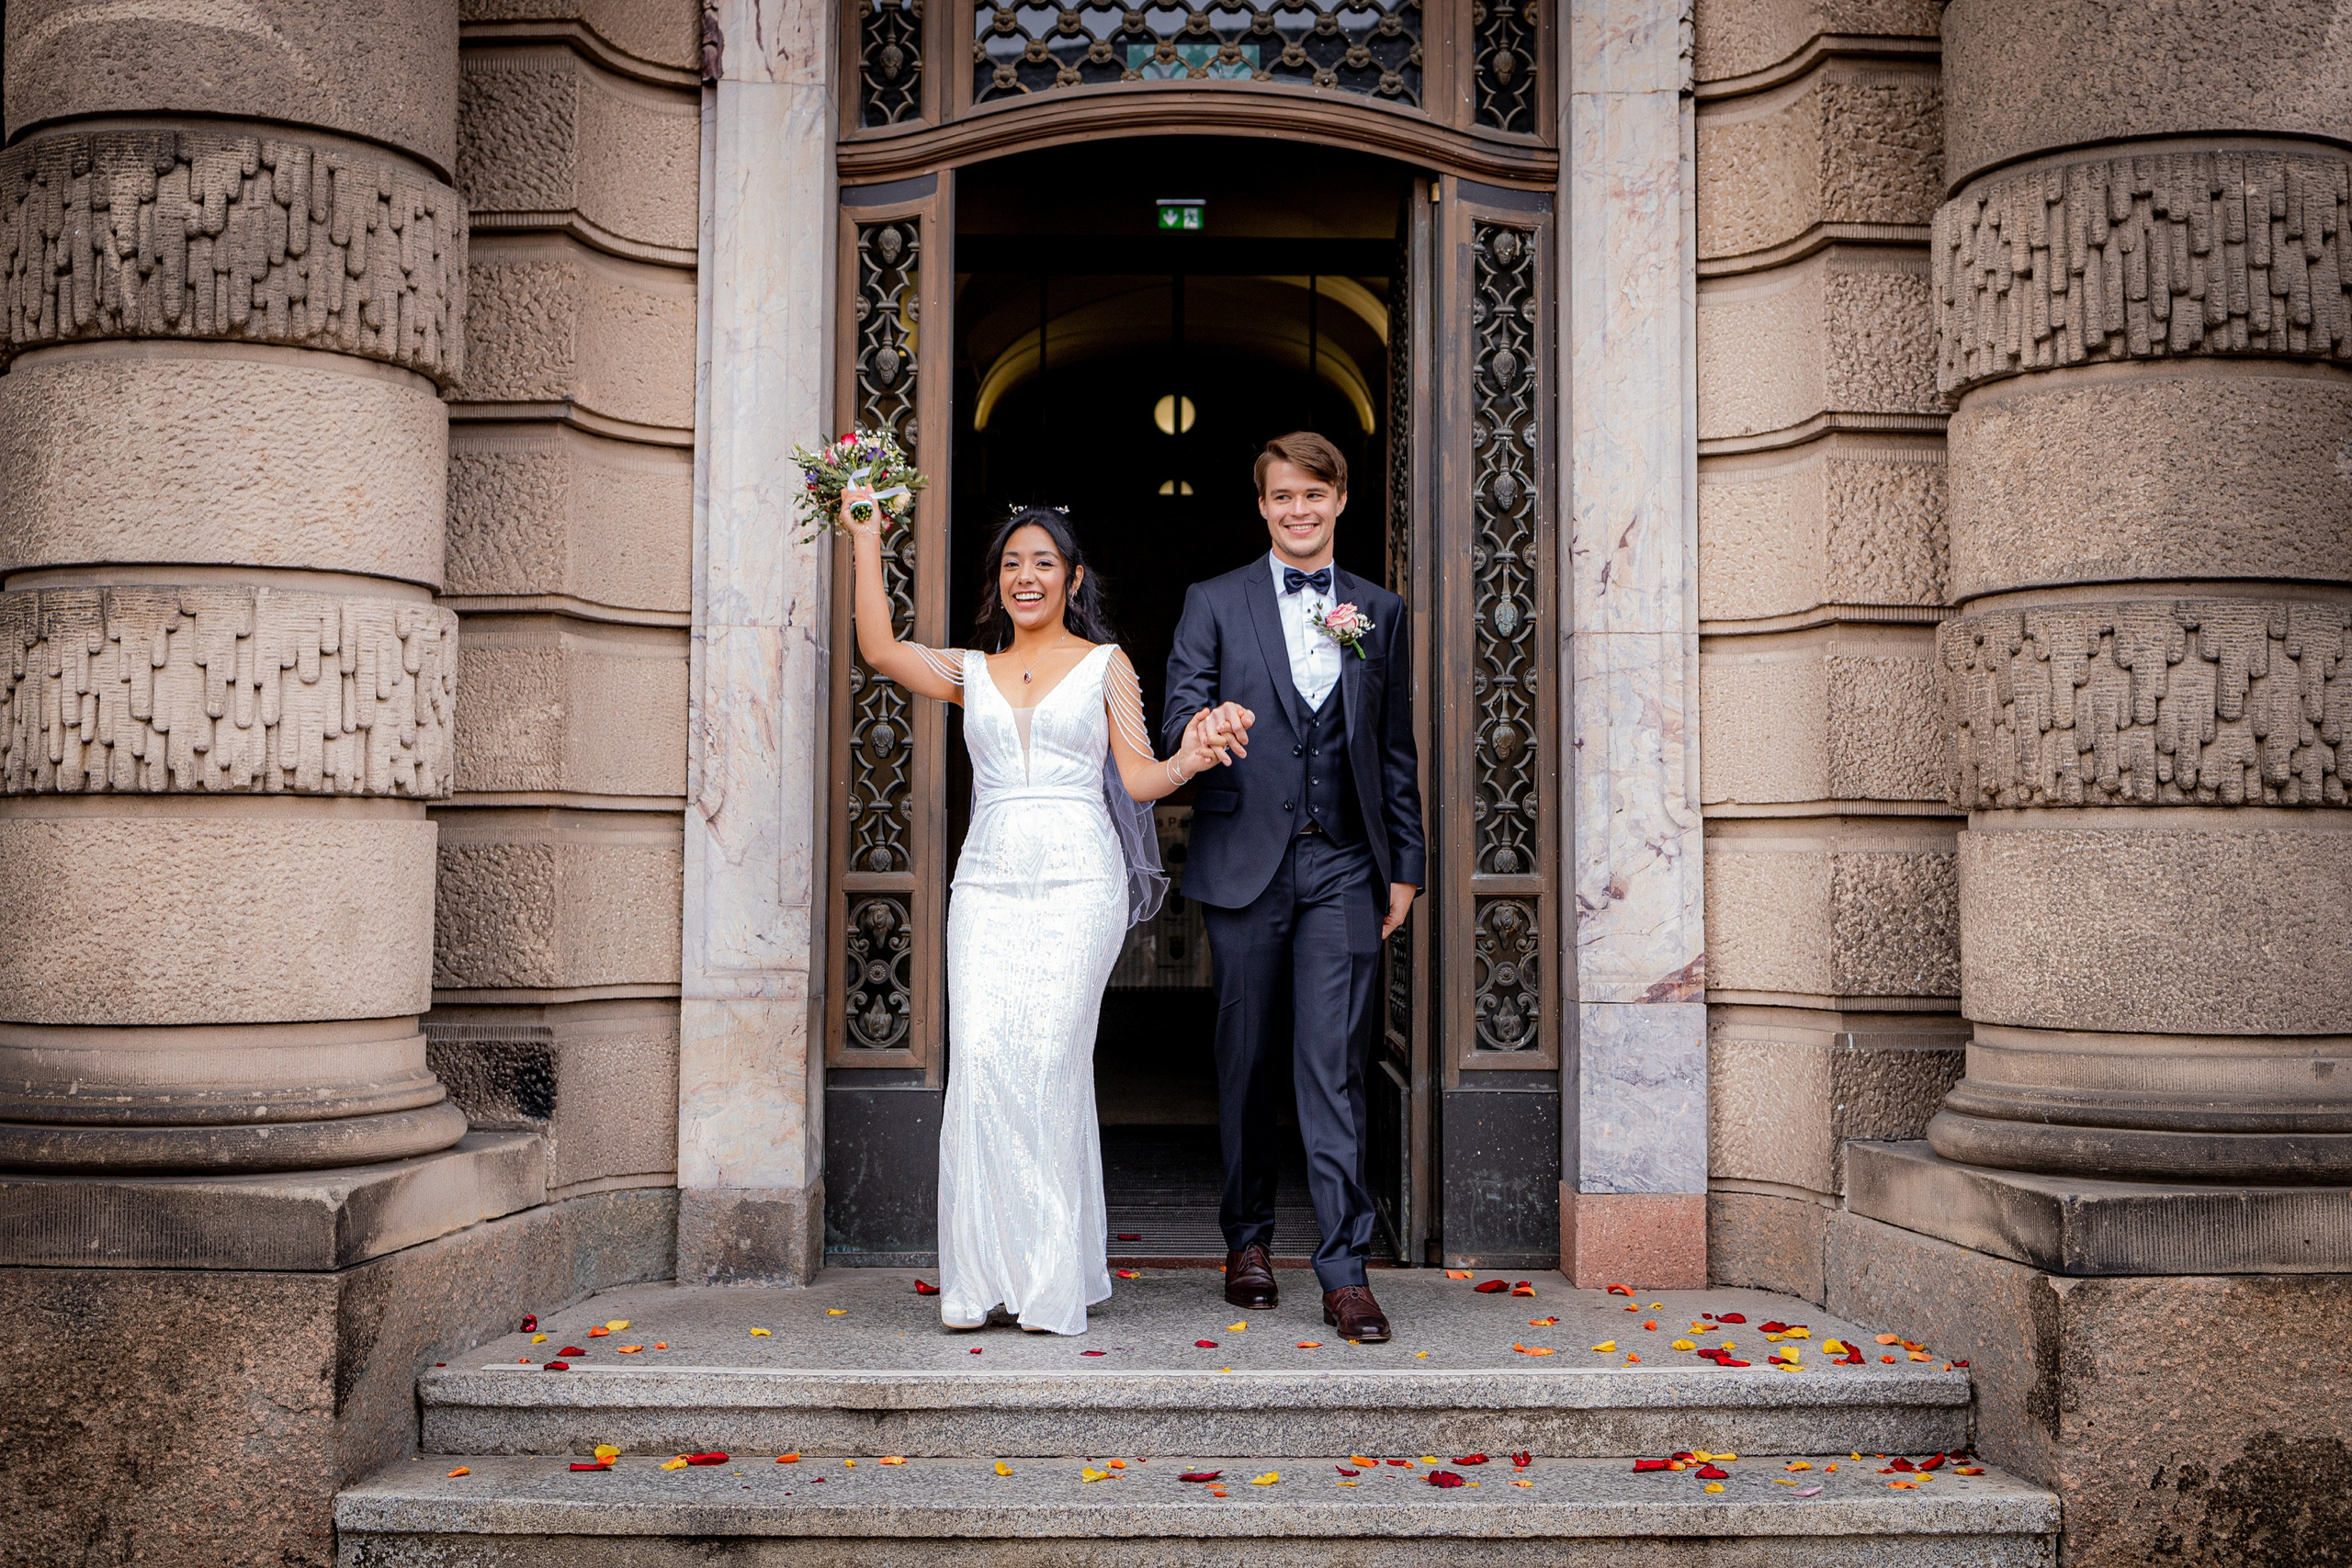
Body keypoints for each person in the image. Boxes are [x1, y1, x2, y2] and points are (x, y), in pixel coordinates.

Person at [842, 489, 1231, 1336]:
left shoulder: (1106, 665)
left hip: (1077, 883)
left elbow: (1137, 780)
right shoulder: (968, 670)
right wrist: (868, 538)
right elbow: (878, 647)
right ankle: (979, 1281)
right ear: (999, 581)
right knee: (982, 1061)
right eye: (1012, 562)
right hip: (985, 884)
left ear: (1072, 577)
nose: (1026, 575)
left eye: (1043, 562)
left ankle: (1050, 1279)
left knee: (1048, 1063)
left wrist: (1191, 757)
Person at [1161, 432, 1425, 1344]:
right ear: (1263, 506)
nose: (1298, 510)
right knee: (1243, 1062)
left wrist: (1406, 865)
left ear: (1340, 501)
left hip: (1344, 864)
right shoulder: (1212, 602)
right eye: (1282, 496)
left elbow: (1394, 749)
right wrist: (1208, 722)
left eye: (1313, 494)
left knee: (1334, 1068)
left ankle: (1345, 1272)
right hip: (1244, 862)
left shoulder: (1378, 612)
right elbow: (1176, 710)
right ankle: (1247, 1243)